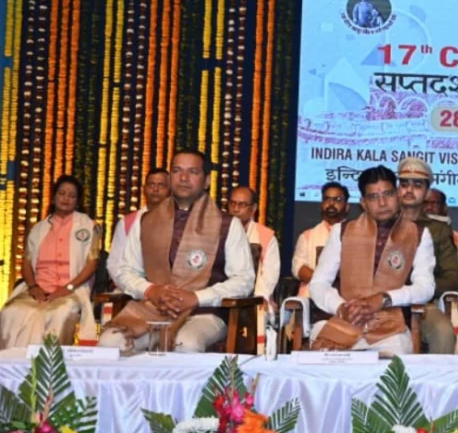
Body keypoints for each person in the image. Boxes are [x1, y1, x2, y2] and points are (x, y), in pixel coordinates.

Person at [101, 150, 255, 352]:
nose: (183, 178)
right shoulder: (146, 221)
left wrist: (197, 297)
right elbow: (125, 271)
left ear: (207, 181)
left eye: (193, 172)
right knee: (110, 342)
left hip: (204, 312)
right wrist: (150, 290)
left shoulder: (227, 225)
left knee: (186, 343)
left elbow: (244, 280)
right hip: (153, 308)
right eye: (177, 171)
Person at [308, 166, 435, 353]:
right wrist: (341, 308)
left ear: (398, 195)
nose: (382, 203)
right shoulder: (342, 231)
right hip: (345, 320)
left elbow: (426, 288)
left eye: (388, 194)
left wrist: (384, 299)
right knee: (322, 352)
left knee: (397, 358)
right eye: (373, 197)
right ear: (363, 203)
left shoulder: (418, 234)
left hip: (389, 327)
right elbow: (318, 284)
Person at [0, 176, 101, 348]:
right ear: (54, 197)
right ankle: (13, 362)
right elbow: (27, 263)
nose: (66, 198)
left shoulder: (89, 226)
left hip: (71, 290)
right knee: (11, 312)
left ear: (77, 202)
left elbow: (92, 264)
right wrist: (34, 287)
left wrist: (67, 288)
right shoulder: (39, 228)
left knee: (58, 313)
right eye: (62, 193)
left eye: (71, 195)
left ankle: (48, 362)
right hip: (38, 289)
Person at [396, 157, 458, 354]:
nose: (409, 190)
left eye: (417, 185)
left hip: (423, 304)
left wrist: (419, 289)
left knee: (444, 332)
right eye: (404, 184)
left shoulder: (438, 229)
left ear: (426, 192)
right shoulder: (381, 223)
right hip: (383, 303)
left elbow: (454, 278)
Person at [227, 186, 280, 354]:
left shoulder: (266, 236)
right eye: (233, 203)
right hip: (222, 297)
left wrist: (259, 297)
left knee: (260, 313)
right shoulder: (218, 231)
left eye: (242, 205)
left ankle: (257, 359)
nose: (236, 209)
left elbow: (269, 274)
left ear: (254, 208)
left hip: (254, 297)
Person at [108, 169, 170, 286]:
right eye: (151, 185)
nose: (155, 189)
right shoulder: (128, 222)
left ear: (170, 190)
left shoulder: (179, 221)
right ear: (144, 189)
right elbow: (114, 262)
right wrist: (130, 285)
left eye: (161, 185)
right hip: (133, 287)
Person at [292, 182, 349, 298]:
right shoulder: (307, 236)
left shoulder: (357, 235)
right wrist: (324, 284)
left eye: (337, 199)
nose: (331, 203)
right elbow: (298, 268)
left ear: (347, 207)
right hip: (311, 297)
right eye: (327, 199)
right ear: (321, 204)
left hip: (346, 298)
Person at [424, 188, 458, 281]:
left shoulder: (457, 238)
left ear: (444, 208)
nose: (429, 208)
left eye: (434, 203)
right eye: (425, 203)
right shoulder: (407, 233)